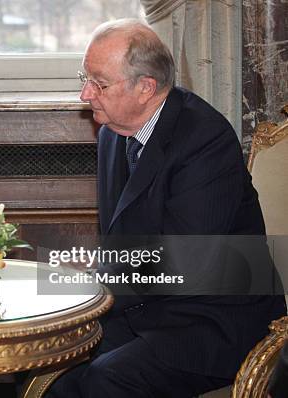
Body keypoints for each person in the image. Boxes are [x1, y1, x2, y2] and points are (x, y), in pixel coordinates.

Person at [47, 19, 286, 397]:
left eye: (99, 83)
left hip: (212, 323)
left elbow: (184, 265)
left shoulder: (204, 140)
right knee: (53, 367)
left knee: (104, 379)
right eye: (84, 77)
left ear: (145, 87)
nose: (85, 95)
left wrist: (88, 283)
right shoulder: (112, 133)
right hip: (146, 311)